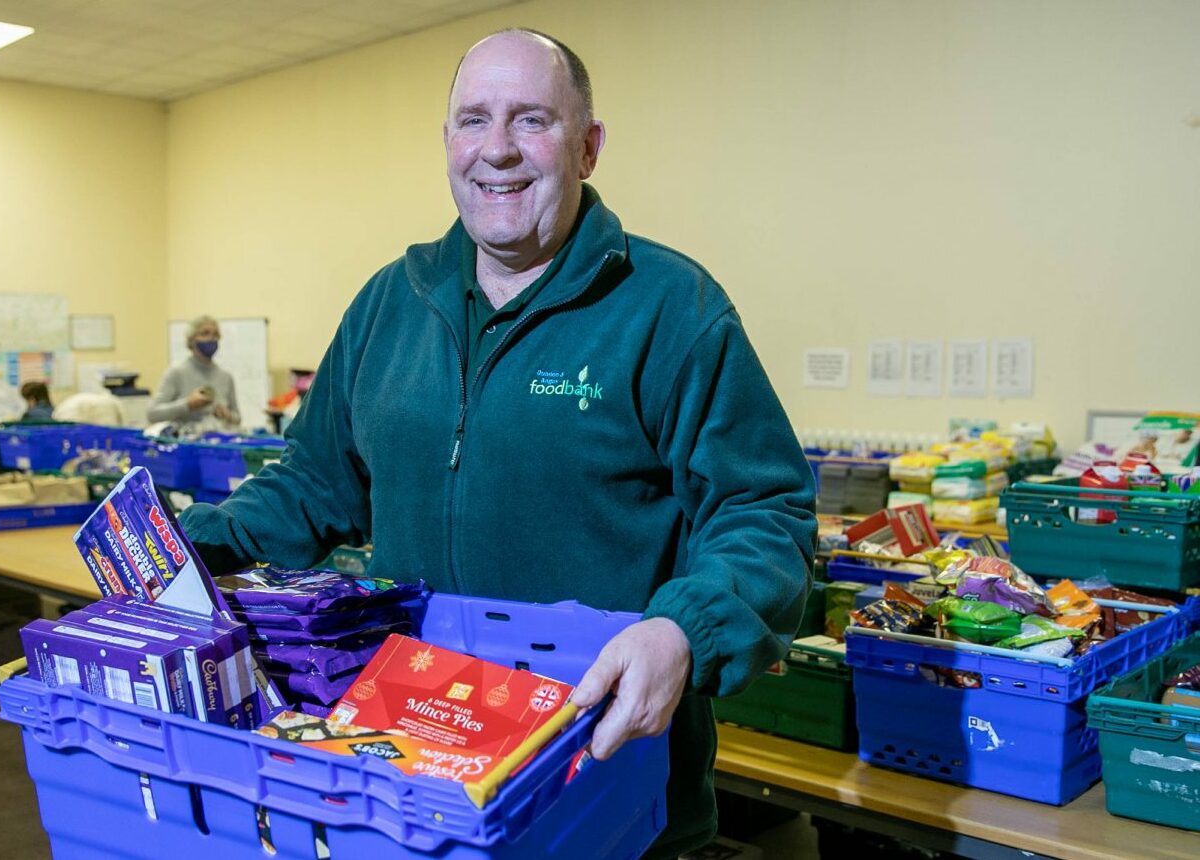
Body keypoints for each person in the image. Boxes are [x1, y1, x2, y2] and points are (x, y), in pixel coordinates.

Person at [180, 29, 815, 858]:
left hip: (601, 774)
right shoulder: (389, 304)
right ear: (446, 144)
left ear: (588, 147)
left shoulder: (670, 307)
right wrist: (189, 543)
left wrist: (684, 630)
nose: (498, 151)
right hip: (416, 759)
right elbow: (315, 479)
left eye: (532, 121)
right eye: (474, 120)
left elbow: (763, 506)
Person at [147, 315, 240, 432]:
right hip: (185, 443)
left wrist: (227, 415)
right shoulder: (176, 373)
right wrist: (188, 405)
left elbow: (237, 418)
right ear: (192, 340)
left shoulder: (226, 377)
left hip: (217, 442)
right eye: (205, 334)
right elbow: (152, 414)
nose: (211, 338)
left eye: (215, 334)